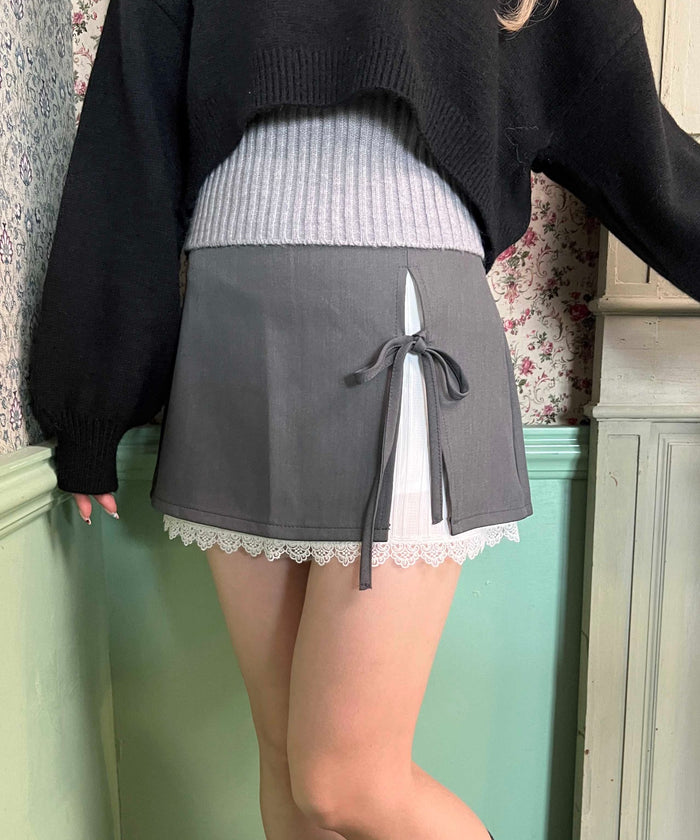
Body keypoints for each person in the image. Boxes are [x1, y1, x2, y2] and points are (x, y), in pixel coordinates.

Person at [27, 0, 700, 838]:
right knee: (284, 760)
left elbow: (637, 145)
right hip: (228, 324)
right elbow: (132, 128)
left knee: (341, 781)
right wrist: (92, 394)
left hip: (406, 322)